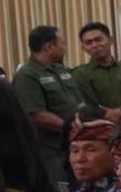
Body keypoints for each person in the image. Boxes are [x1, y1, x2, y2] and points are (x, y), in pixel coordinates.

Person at [12, 25, 81, 182]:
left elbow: (78, 102)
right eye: (62, 44)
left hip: (73, 143)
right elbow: (37, 115)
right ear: (49, 47)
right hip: (50, 149)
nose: (65, 48)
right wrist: (70, 128)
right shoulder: (27, 74)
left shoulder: (62, 70)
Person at [73, 22, 121, 120]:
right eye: (89, 43)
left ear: (110, 40)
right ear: (83, 48)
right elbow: (88, 105)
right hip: (101, 128)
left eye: (98, 40)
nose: (94, 45)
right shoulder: (80, 74)